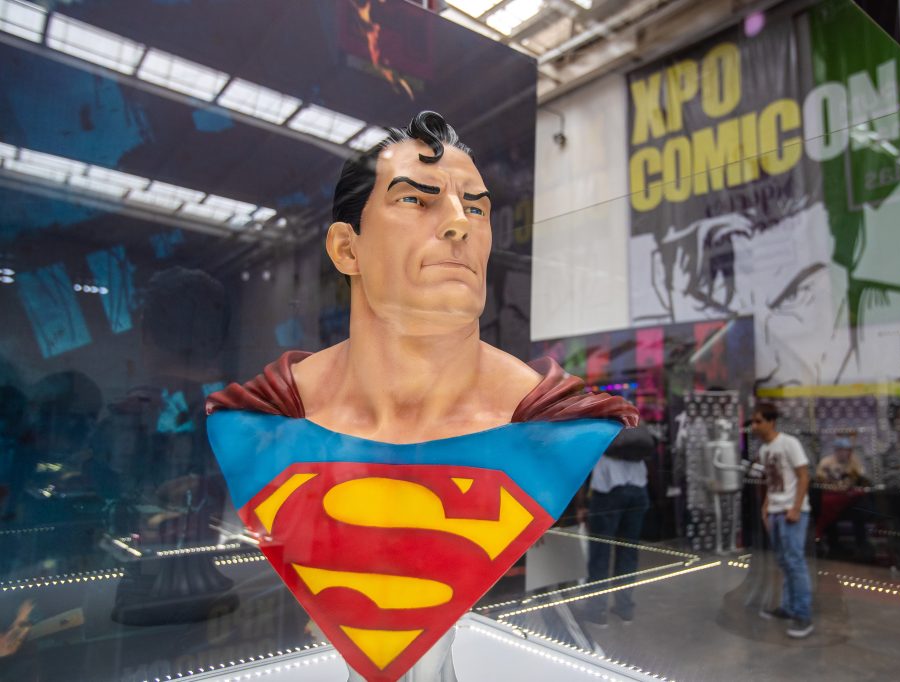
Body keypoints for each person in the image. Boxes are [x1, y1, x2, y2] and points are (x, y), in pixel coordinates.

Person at [207, 111, 637, 682]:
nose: (459, 223)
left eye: (476, 208)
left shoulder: (558, 427)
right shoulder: (257, 422)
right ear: (347, 249)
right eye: (415, 199)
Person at [579, 424, 653, 626]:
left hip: (607, 490)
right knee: (628, 551)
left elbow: (585, 463)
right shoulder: (633, 422)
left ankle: (597, 611)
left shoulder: (600, 424)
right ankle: (625, 608)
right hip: (638, 490)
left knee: (600, 552)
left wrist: (582, 503)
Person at [751, 401, 814, 638]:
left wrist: (796, 508)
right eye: (753, 421)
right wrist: (766, 508)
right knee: (785, 562)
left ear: (771, 422)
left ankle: (803, 615)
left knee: (795, 562)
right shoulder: (765, 450)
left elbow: (803, 476)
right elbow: (773, 482)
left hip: (790, 512)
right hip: (777, 512)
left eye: (758, 421)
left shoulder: (789, 443)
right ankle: (788, 608)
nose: (754, 426)